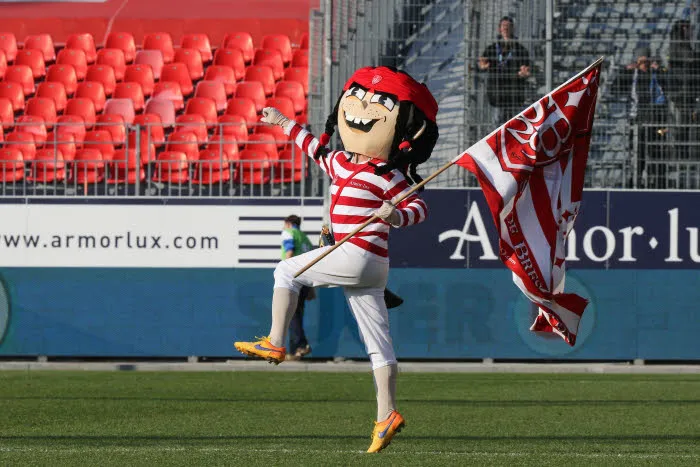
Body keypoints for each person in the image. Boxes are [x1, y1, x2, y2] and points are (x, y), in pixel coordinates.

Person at [235, 66, 439, 453]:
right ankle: (387, 414)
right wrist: (281, 121)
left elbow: (419, 209)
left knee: (285, 269)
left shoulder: (388, 174)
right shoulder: (343, 163)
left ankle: (276, 342)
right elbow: (311, 145)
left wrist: (396, 214)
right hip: (371, 269)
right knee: (379, 345)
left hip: (358, 255)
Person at [612, 46, 670, 188]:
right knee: (638, 154)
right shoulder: (632, 75)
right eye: (641, 62)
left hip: (656, 121)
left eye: (646, 62)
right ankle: (636, 183)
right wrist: (625, 71)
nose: (644, 65)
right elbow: (615, 89)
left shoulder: (656, 74)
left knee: (657, 153)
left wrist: (660, 70)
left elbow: (670, 85)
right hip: (637, 120)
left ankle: (658, 184)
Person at [478, 16, 532, 125]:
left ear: (513, 29)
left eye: (508, 26)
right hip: (497, 95)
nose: (505, 28)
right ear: (499, 29)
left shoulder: (520, 50)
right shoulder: (491, 49)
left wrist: (524, 73)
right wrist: (481, 66)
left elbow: (526, 69)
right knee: (497, 127)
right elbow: (481, 64)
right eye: (503, 26)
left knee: (516, 127)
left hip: (514, 95)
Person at [280, 214, 314, 360]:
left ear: (288, 223)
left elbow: (289, 251)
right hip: (305, 280)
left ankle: (301, 344)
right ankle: (295, 352)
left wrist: (286, 273)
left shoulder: (289, 232)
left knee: (291, 313)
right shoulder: (306, 238)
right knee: (297, 315)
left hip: (294, 277)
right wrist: (312, 287)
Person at [668, 19, 700, 160]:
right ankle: (681, 156)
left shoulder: (684, 45)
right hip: (681, 93)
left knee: (687, 125)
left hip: (688, 90)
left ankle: (686, 156)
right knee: (682, 125)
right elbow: (689, 58)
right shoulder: (677, 44)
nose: (689, 31)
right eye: (686, 28)